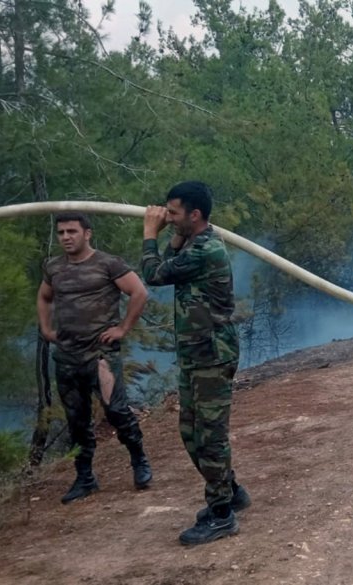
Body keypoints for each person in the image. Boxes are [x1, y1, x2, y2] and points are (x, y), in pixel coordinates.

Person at [141, 181, 249, 546]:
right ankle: (230, 490)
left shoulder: (206, 249)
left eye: (173, 213)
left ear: (195, 215)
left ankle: (221, 515)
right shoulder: (194, 244)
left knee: (210, 438)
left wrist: (149, 233)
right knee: (191, 433)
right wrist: (171, 236)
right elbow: (171, 266)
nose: (167, 218)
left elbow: (154, 275)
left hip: (211, 356)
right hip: (196, 355)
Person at [37, 212, 152, 504]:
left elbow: (138, 292)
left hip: (100, 354)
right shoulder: (54, 267)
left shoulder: (107, 263)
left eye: (72, 231)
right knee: (77, 421)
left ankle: (139, 461)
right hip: (67, 355)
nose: (66, 237)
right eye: (61, 232)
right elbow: (44, 297)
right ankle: (85, 478)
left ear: (87, 233)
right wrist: (46, 327)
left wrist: (123, 328)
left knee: (116, 411)